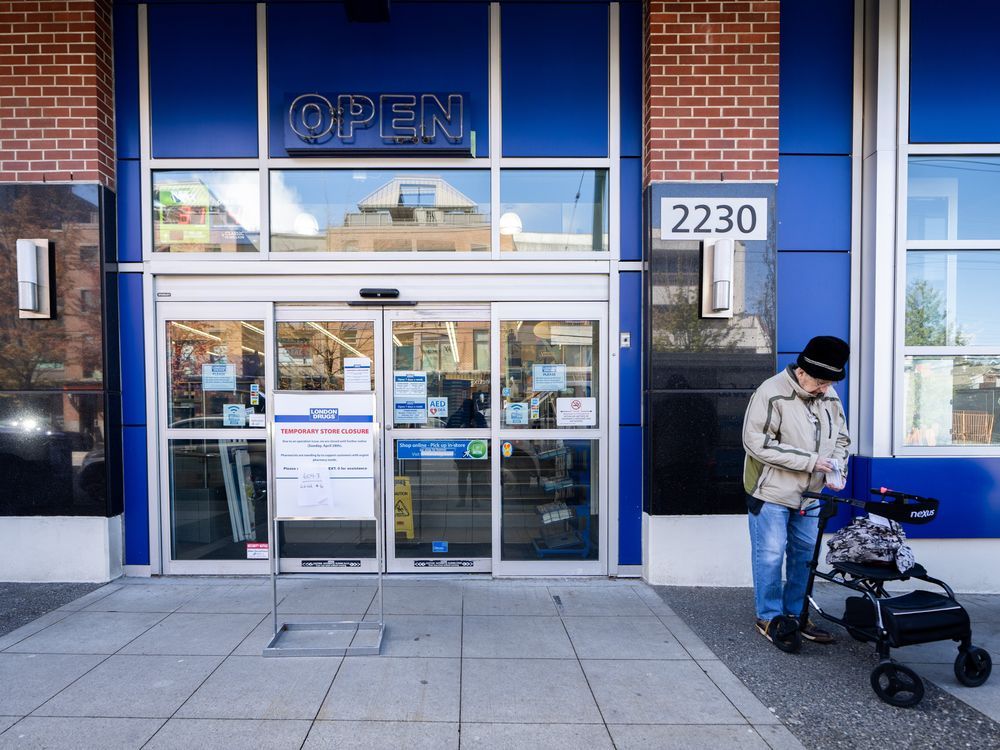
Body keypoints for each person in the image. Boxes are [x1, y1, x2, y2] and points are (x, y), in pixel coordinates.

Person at [742, 335, 851, 648]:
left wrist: (836, 469)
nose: (825, 389)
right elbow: (756, 444)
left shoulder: (829, 396)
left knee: (805, 557)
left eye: (830, 382)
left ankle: (798, 615)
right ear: (802, 372)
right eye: (820, 381)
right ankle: (770, 616)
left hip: (812, 495)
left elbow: (842, 439)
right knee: (771, 556)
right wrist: (812, 462)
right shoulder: (771, 392)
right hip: (770, 492)